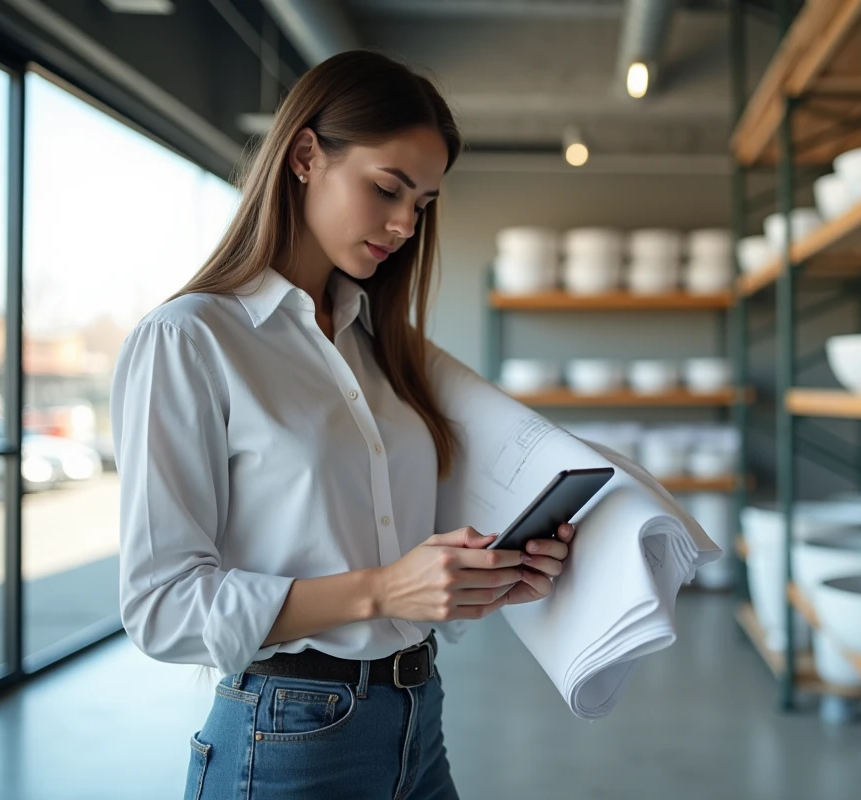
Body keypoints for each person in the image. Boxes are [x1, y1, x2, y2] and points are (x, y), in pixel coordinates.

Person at [111, 50, 574, 799]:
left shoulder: (379, 346)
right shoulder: (190, 338)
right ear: (304, 156)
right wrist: (385, 590)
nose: (404, 224)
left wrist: (485, 580)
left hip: (417, 718)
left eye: (422, 204)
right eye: (387, 188)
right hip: (288, 737)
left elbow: (391, 551)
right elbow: (162, 607)